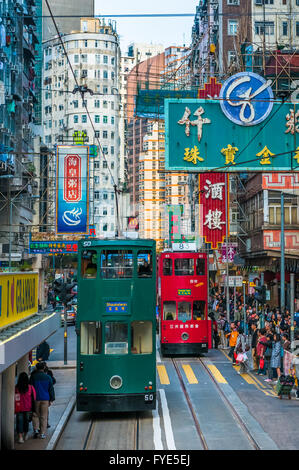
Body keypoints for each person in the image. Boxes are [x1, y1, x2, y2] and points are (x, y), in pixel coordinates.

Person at [30, 361, 55, 439]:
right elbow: (51, 389)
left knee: (35, 414)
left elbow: (30, 388)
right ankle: (42, 433)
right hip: (45, 399)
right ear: (44, 368)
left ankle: (36, 429)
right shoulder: (48, 377)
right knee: (44, 416)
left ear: (37, 368)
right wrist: (51, 399)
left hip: (36, 398)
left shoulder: (33, 377)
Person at [15, 372, 36, 443]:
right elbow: (34, 398)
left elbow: (14, 398)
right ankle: (25, 434)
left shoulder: (16, 388)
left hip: (19, 408)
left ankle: (20, 437)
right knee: (26, 422)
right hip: (28, 408)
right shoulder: (31, 388)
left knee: (19, 422)